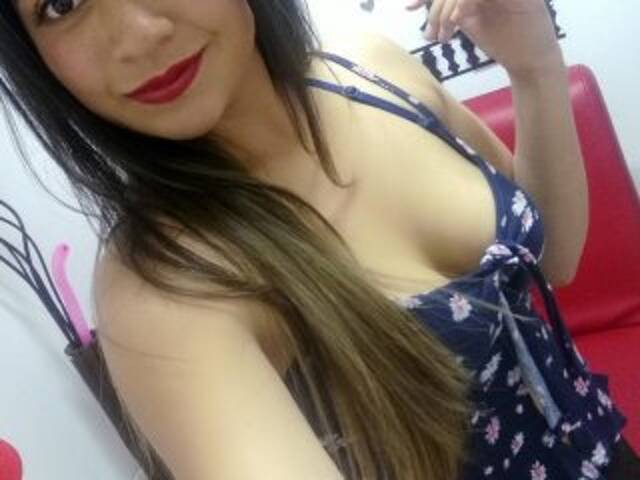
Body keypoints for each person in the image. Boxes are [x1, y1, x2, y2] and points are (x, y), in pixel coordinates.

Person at [1, 0, 637, 478]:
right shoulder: (167, 290)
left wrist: (534, 65)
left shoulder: (370, 69)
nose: (139, 34)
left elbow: (556, 261)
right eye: (62, 3)